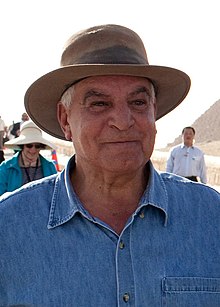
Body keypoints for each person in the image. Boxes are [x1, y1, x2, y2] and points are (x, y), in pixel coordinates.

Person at [0, 24, 220, 306]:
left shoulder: (211, 219)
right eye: (100, 104)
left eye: (138, 102)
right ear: (65, 119)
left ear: (154, 113)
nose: (123, 120)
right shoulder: (9, 231)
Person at [0, 120, 57, 196]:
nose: (33, 150)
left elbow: (55, 195)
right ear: (22, 145)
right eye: (29, 145)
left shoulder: (50, 167)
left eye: (37, 146)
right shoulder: (6, 168)